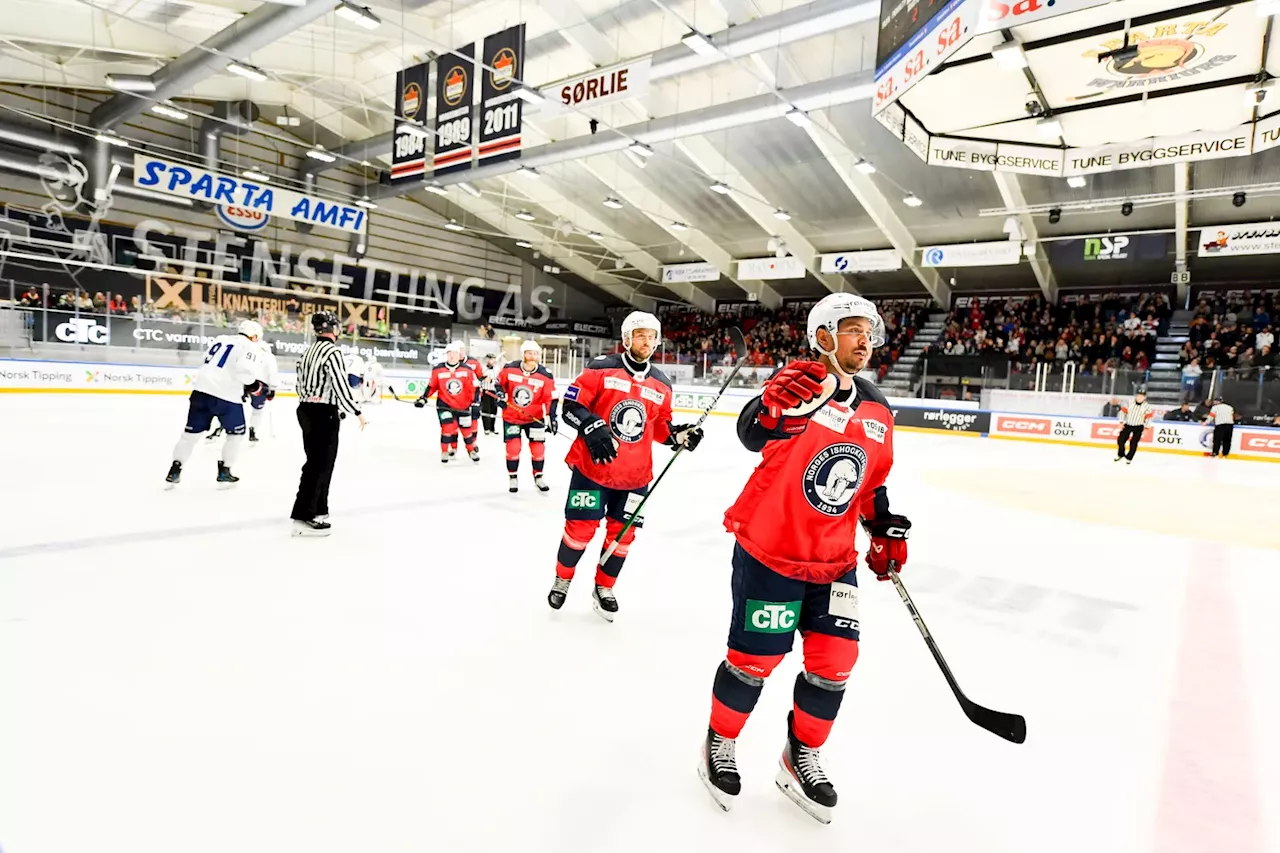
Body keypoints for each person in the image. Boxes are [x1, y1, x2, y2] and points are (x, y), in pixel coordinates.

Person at [697, 293, 904, 825]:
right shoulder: (803, 384)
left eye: (869, 330)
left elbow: (868, 481)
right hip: (772, 549)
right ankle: (718, 743)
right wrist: (769, 408)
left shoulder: (878, 406)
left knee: (836, 663)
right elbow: (753, 432)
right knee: (754, 662)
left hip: (834, 560)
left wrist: (882, 529)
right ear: (825, 336)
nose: (865, 339)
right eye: (854, 329)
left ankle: (800, 755)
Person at [550, 311, 703, 620]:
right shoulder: (600, 369)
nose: (646, 341)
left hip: (635, 477)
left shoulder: (661, 383)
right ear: (626, 339)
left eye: (651, 336)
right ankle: (562, 579)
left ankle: (604, 587)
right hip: (593, 470)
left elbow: (659, 427)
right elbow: (571, 407)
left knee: (622, 536)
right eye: (640, 335)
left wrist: (679, 435)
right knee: (579, 531)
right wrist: (591, 426)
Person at [165, 319, 267, 488]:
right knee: (235, 435)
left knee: (188, 437)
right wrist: (253, 386)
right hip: (227, 398)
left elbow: (205, 360)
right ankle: (224, 471)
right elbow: (245, 372)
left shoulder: (220, 339)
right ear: (254, 336)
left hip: (200, 392)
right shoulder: (251, 347)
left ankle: (175, 469)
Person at [291, 311, 367, 536]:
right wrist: (357, 411)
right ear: (333, 329)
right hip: (323, 413)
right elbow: (341, 386)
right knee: (320, 465)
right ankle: (304, 516)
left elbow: (299, 384)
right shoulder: (333, 352)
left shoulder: (308, 352)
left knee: (315, 462)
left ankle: (318, 509)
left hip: (305, 410)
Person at [496, 340, 558, 493]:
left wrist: (552, 417)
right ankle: (513, 477)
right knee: (513, 448)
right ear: (523, 354)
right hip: (512, 417)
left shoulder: (545, 375)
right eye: (529, 353)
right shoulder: (510, 368)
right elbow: (499, 384)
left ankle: (538, 477)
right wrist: (500, 395)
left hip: (534, 418)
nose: (532, 356)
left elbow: (551, 398)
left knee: (538, 450)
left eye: (535, 353)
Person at [415, 341, 481, 462]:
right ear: (446, 354)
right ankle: (444, 452)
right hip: (444, 405)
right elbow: (432, 386)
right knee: (447, 428)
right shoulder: (438, 369)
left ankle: (471, 451)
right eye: (449, 353)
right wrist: (424, 398)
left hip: (463, 406)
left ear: (458, 355)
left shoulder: (467, 370)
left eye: (455, 353)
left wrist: (475, 403)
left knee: (466, 430)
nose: (452, 356)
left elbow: (475, 387)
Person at [248, 334, 279, 443]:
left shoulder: (248, 351)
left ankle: (220, 428)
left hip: (245, 381)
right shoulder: (269, 356)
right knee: (257, 411)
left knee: (233, 404)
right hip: (260, 386)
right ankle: (252, 430)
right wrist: (272, 389)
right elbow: (272, 372)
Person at [1114, 387, 1153, 465]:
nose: (1139, 397)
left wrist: (1146, 428)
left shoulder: (1147, 406)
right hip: (1128, 424)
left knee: (1133, 443)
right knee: (1120, 440)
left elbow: (1149, 417)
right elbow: (1122, 412)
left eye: (1142, 396)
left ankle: (1129, 457)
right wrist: (1121, 422)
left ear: (1144, 397)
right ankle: (1121, 454)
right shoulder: (1129, 402)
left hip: (1138, 427)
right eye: (1138, 395)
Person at [480, 352, 501, 435]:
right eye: (490, 359)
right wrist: (484, 378)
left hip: (494, 392)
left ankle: (492, 427)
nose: (492, 361)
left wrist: (492, 380)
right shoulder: (483, 368)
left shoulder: (497, 369)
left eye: (493, 359)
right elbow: (478, 378)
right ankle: (486, 428)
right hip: (485, 391)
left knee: (494, 410)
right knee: (486, 410)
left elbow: (499, 380)